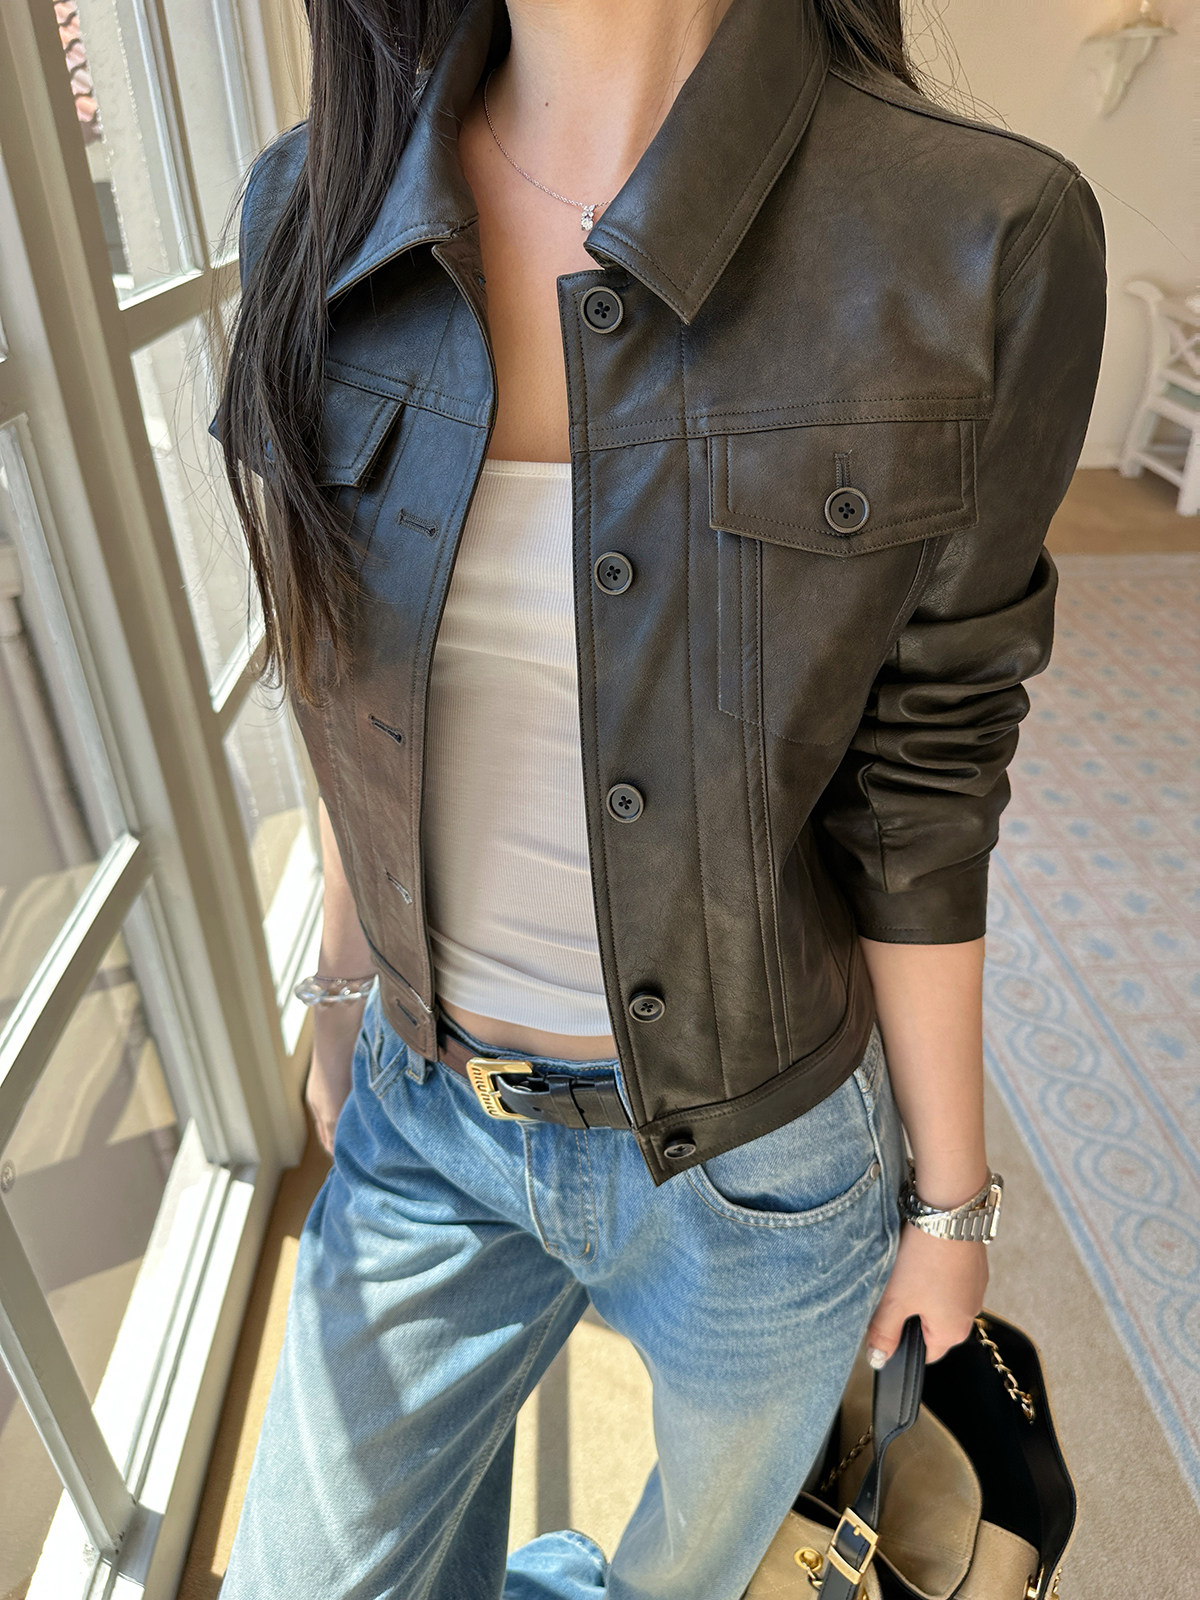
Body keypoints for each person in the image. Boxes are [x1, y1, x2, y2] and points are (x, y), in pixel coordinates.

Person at [210, 0, 1106, 1595]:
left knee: (691, 1581)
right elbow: (343, 670)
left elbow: (927, 778)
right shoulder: (312, 203)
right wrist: (344, 987)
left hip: (762, 1163)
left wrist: (950, 1207)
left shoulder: (981, 233)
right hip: (431, 1115)